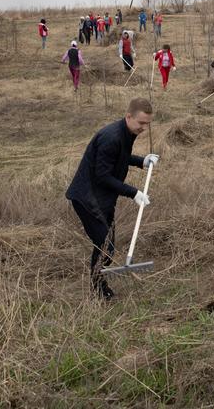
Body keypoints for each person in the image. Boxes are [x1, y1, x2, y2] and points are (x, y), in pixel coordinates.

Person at [66, 98, 158, 300]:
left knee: (107, 246)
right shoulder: (112, 137)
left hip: (103, 197)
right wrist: (134, 193)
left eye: (147, 124)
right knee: (104, 246)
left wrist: (142, 161)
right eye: (141, 123)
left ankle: (99, 285)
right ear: (128, 116)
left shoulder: (126, 133)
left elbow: (121, 157)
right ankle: (99, 290)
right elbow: (103, 175)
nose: (144, 128)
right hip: (87, 198)